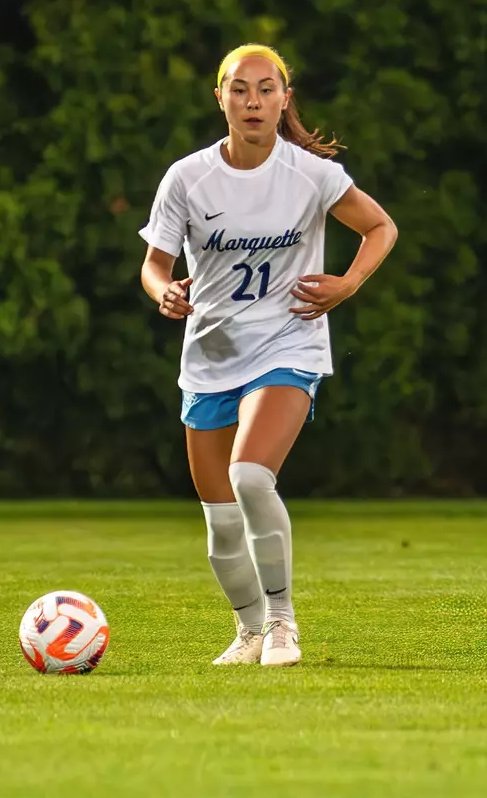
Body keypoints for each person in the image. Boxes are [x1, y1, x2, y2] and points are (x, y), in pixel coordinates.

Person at [139, 43, 397, 667]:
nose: (253, 101)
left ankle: (283, 624)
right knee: (221, 522)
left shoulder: (311, 173)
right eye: (239, 89)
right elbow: (154, 265)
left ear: (285, 99)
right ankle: (249, 631)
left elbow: (380, 227)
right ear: (220, 97)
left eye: (265, 89)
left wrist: (347, 283)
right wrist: (165, 292)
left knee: (250, 475)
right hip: (210, 358)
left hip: (288, 345)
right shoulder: (187, 177)